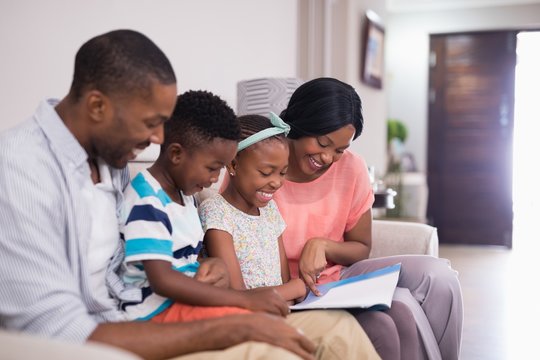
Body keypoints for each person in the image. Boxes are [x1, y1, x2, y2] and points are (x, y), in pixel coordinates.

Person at [0, 31, 379, 360]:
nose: (158, 140)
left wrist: (202, 266)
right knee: (276, 349)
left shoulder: (108, 154)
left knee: (338, 332)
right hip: (107, 338)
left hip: (148, 315)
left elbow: (139, 251)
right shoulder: (21, 171)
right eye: (151, 124)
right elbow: (53, 331)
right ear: (97, 106)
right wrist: (228, 326)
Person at [272, 77, 464, 360]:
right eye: (323, 143)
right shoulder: (262, 166)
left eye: (339, 149)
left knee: (440, 277)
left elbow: (361, 247)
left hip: (340, 277)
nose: (327, 158)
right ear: (301, 123)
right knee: (401, 305)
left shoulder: (352, 168)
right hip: (296, 288)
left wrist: (322, 245)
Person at [119, 91, 288, 322]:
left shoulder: (185, 195)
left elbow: (184, 262)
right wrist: (243, 299)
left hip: (182, 305)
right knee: (254, 322)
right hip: (153, 311)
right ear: (176, 154)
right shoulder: (147, 199)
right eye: (212, 168)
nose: (215, 178)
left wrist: (212, 265)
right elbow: (162, 280)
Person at [199, 113, 306, 304]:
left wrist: (291, 290)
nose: (276, 183)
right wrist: (294, 289)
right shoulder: (217, 212)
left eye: (282, 173)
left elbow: (284, 280)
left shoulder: (270, 210)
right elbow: (236, 295)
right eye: (266, 173)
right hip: (249, 319)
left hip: (283, 311)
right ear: (233, 164)